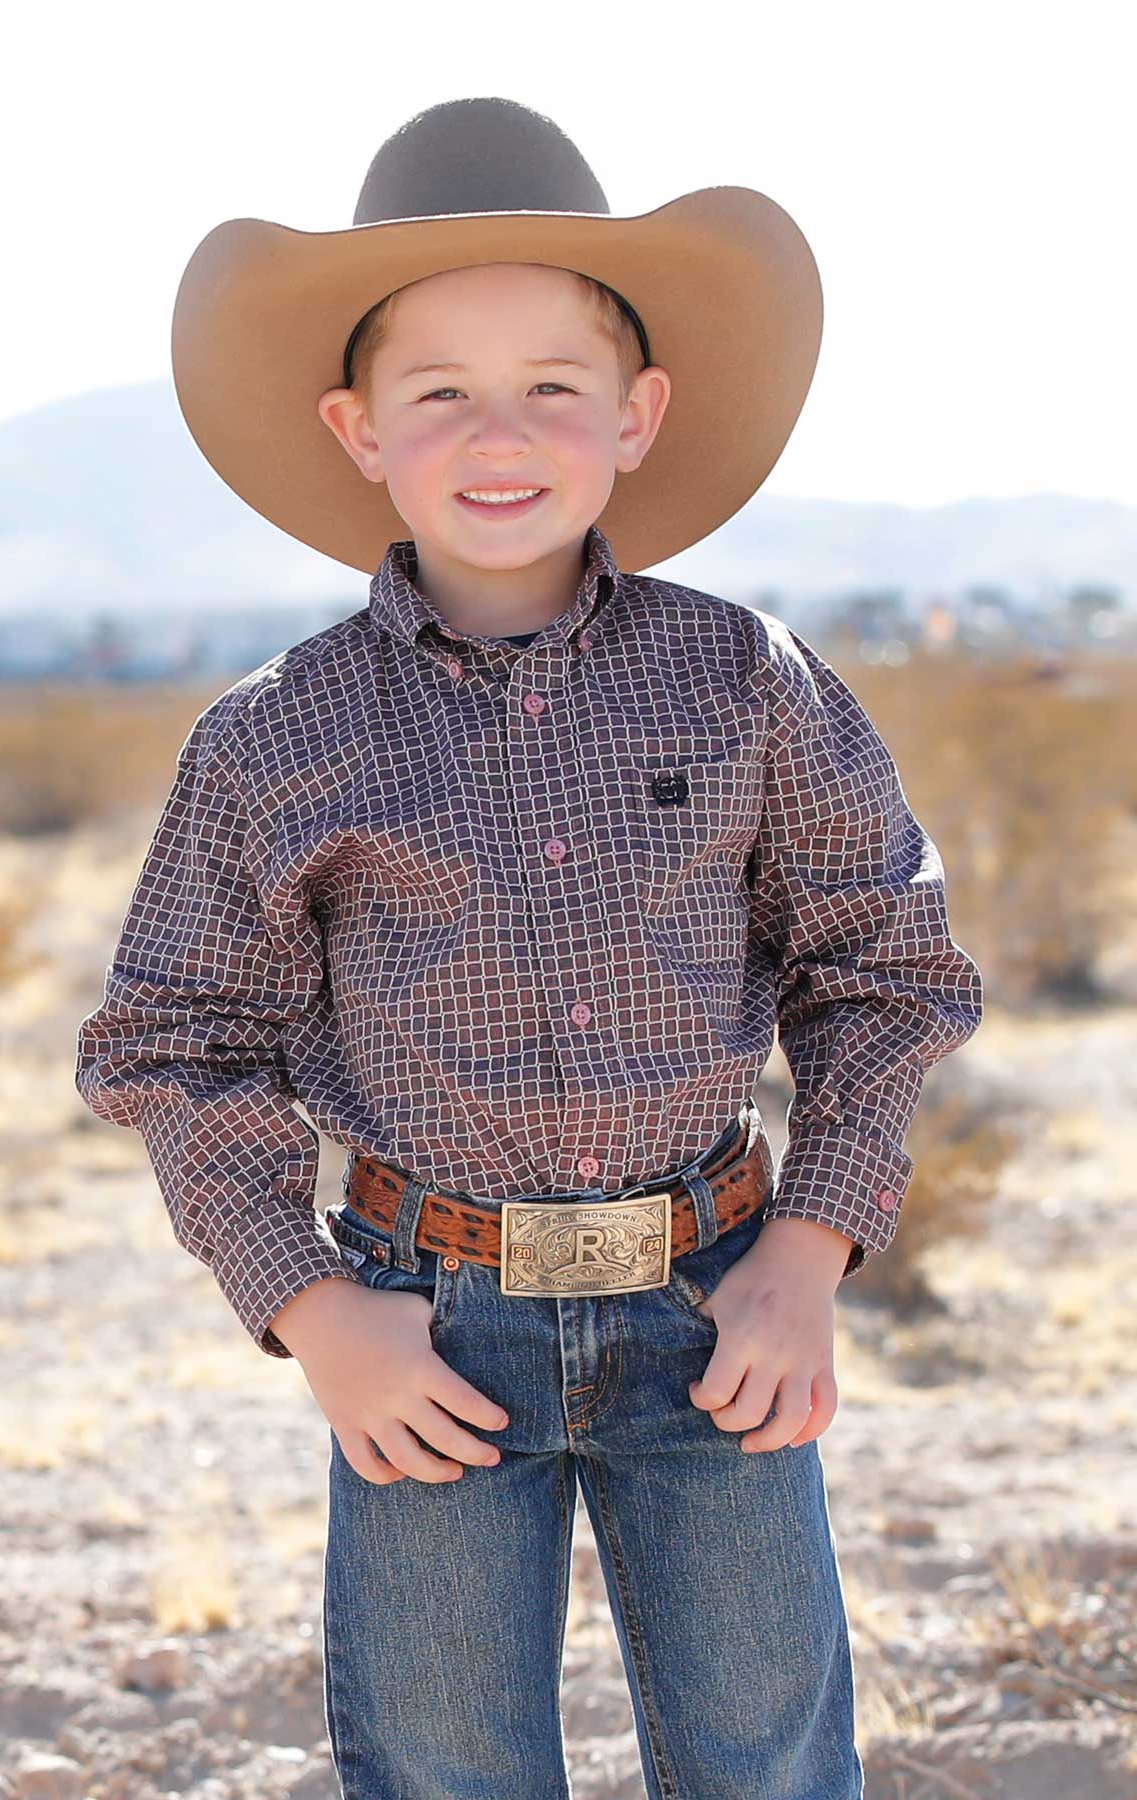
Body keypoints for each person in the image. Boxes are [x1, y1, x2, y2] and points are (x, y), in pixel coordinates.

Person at [75, 96, 984, 1799]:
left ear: (636, 416)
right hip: (423, 1326)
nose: (503, 435)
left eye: (553, 389)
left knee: (768, 1761)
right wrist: (315, 1309)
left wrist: (813, 1251)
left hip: (721, 1305)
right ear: (357, 428)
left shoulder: (745, 683)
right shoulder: (280, 741)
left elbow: (886, 968)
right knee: (437, 1767)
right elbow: (172, 1042)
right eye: (441, 395)